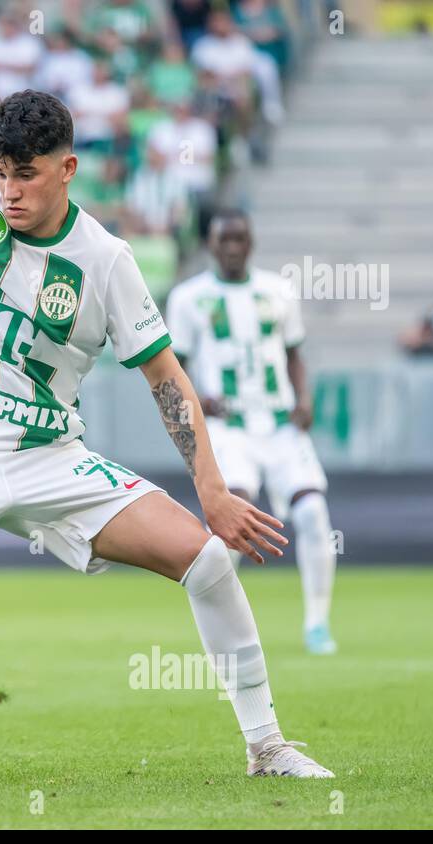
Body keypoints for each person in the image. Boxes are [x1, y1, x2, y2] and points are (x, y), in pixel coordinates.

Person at [0, 39, 333, 777]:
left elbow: (166, 377)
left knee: (205, 560)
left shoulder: (106, 261)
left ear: (67, 169)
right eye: (2, 174)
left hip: (52, 456)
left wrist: (212, 489)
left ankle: (266, 745)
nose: (9, 191)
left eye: (27, 174)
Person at [166, 210, 337, 654]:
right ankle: (222, 631)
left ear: (251, 242)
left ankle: (317, 624)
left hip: (280, 425)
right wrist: (200, 402)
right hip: (229, 427)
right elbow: (172, 370)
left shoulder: (278, 291)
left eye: (240, 238)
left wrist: (305, 400)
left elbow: (294, 354)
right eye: (225, 238)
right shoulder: (188, 298)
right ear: (211, 243)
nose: (233, 246)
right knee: (230, 518)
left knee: (314, 512)